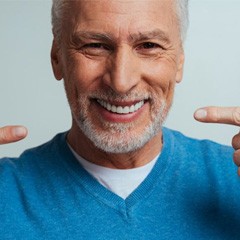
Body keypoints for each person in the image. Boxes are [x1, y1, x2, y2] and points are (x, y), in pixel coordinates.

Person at [0, 0, 240, 239]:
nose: (121, 82)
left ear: (179, 61)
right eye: (95, 45)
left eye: (148, 45)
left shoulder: (234, 179)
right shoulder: (5, 192)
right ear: (57, 58)